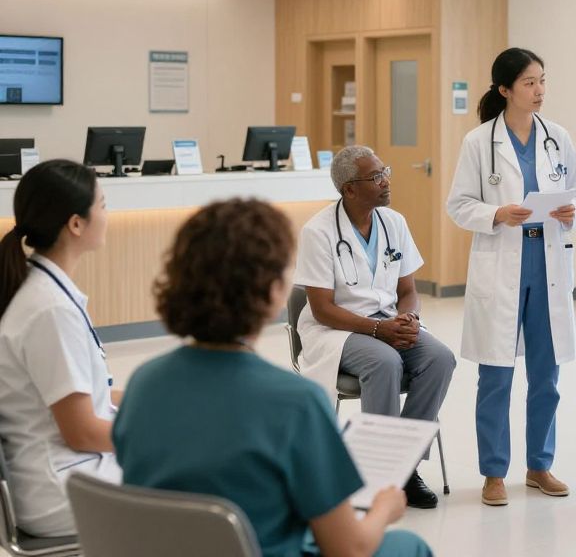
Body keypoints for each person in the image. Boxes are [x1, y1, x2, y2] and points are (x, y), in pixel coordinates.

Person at [113, 198, 432, 557]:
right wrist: (383, 508)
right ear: (272, 293)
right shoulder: (294, 404)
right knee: (409, 545)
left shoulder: (144, 384)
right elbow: (349, 549)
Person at [447, 47, 576, 507]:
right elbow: (459, 205)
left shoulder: (557, 137)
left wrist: (572, 212)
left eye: (542, 80)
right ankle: (493, 472)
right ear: (505, 90)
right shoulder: (479, 142)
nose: (539, 90)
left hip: (547, 263)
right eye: (529, 82)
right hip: (502, 261)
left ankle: (539, 465)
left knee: (546, 376)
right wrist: (498, 213)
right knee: (497, 377)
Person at [293, 146, 455, 509]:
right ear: (349, 189)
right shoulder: (318, 231)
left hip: (389, 323)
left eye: (386, 172)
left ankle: (405, 467)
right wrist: (378, 331)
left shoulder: (393, 222)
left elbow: (407, 291)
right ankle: (379, 476)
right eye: (376, 177)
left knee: (440, 359)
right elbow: (321, 309)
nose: (386, 182)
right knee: (384, 362)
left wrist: (410, 320)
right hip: (337, 331)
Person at [0, 159, 121, 537]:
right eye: (102, 204)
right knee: (201, 481)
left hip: (67, 470)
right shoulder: (49, 310)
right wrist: (154, 434)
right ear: (76, 224)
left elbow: (84, 393)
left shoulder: (45, 291)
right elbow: (81, 432)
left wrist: (149, 400)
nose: (107, 213)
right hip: (62, 491)